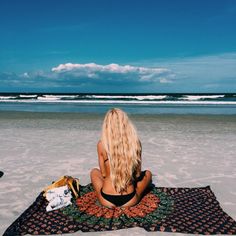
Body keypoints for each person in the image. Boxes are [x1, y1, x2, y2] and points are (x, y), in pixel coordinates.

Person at [90, 108, 152, 208]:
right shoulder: (135, 143)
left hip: (107, 199)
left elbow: (104, 174)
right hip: (130, 199)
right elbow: (137, 174)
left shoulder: (101, 144)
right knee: (148, 174)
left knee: (94, 172)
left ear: (107, 125)